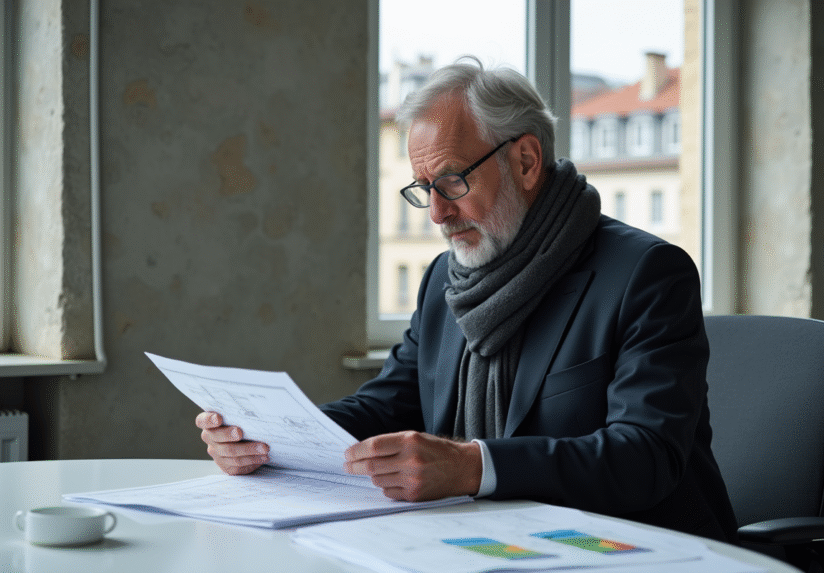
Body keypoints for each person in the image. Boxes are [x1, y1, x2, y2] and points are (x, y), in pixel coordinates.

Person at [197, 57, 738, 542]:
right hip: (490, 545)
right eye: (422, 187)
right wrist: (272, 438)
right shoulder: (445, 279)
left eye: (452, 181)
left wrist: (473, 467)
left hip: (638, 552)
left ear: (526, 161)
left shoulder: (646, 273)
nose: (436, 213)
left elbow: (644, 456)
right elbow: (391, 404)